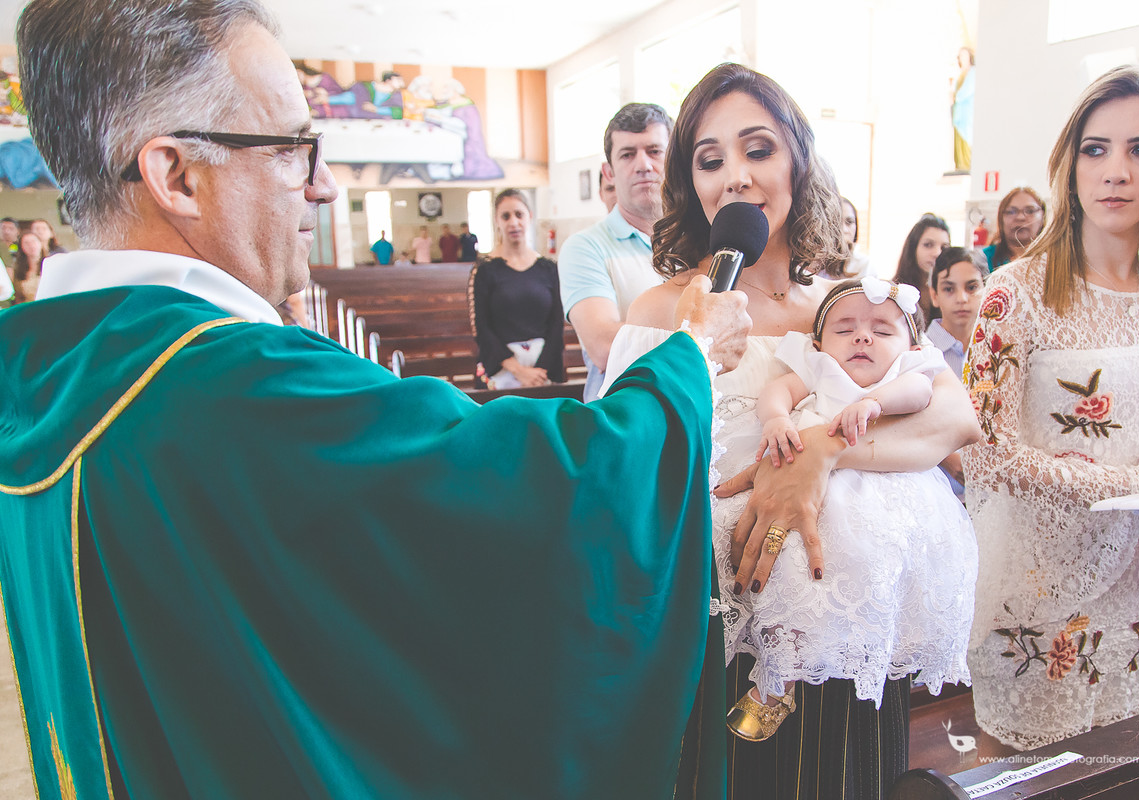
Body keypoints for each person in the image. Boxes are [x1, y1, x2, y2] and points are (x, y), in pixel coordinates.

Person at [0, 2, 754, 798]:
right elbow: (558, 495)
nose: (324, 187)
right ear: (176, 177)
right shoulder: (227, 386)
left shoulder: (46, 370)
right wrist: (688, 355)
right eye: (296, 147)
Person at [602, 62, 980, 800]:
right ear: (691, 184)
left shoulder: (843, 304)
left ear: (798, 162)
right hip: (719, 624)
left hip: (850, 614)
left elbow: (954, 415)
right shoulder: (664, 310)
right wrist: (692, 346)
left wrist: (821, 450)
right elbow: (626, 464)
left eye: (757, 149)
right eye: (709, 161)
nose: (735, 177)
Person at [963, 65, 1139, 751]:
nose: (1116, 171)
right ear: (1070, 165)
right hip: (1037, 584)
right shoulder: (1017, 292)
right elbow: (985, 451)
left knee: (1122, 764)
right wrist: (1136, 478)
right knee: (1024, 767)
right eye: (1096, 149)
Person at [722, 276, 975, 742]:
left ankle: (865, 653)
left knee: (865, 561)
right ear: (819, 341)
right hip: (805, 481)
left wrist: (876, 402)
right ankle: (779, 677)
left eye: (882, 329)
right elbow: (779, 390)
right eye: (846, 329)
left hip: (878, 489)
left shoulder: (906, 372)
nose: (863, 337)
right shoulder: (818, 367)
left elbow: (920, 395)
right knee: (788, 567)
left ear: (910, 343)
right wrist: (777, 417)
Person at [558, 103, 671, 401]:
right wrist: (702, 334)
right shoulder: (584, 248)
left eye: (654, 151)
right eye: (628, 154)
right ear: (609, 171)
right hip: (623, 417)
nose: (643, 164)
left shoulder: (701, 242)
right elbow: (606, 347)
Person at [469, 189, 564, 388]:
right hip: (502, 367)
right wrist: (518, 371)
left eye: (519, 214)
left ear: (529, 216)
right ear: (497, 220)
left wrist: (539, 371)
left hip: (542, 369)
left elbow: (557, 323)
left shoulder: (548, 268)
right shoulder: (485, 270)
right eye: (506, 216)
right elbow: (481, 327)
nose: (513, 222)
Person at [926, 246, 988, 499]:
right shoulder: (922, 351)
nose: (961, 298)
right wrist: (946, 458)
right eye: (949, 289)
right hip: (938, 489)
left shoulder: (998, 348)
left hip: (991, 488)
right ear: (934, 295)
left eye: (972, 287)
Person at [894, 212, 950, 322]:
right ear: (913, 248)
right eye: (928, 245)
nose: (937, 253)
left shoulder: (951, 293)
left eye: (944, 247)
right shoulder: (893, 292)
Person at [983, 185, 1047, 271]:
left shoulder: (1056, 259)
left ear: (1043, 216)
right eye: (1011, 212)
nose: (1020, 217)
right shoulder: (982, 259)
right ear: (1001, 218)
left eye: (1030, 211)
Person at [819, 195, 871, 279]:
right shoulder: (813, 265)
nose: (844, 229)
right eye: (837, 222)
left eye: (849, 222)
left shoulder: (864, 265)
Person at [951, 46, 975, 171]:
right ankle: (959, 165)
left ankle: (967, 165)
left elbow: (967, 90)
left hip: (967, 112)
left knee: (967, 137)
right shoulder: (959, 74)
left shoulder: (973, 72)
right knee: (958, 139)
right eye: (961, 56)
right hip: (958, 112)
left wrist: (956, 96)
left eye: (965, 55)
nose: (963, 58)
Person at [11, 229, 47, 303]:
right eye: (26, 243)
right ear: (22, 247)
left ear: (40, 243)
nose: (31, 245)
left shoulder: (50, 265)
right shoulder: (19, 271)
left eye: (34, 241)